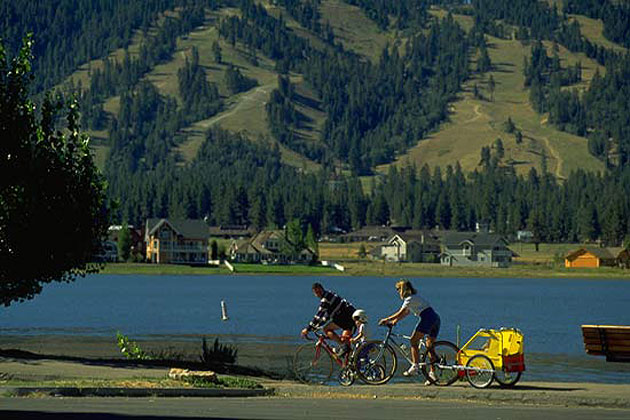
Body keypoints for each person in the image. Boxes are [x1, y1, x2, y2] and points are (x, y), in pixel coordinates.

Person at [378, 279, 440, 385]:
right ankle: (432, 374)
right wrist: (395, 321)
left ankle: (415, 366)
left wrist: (386, 319)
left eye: (398, 289)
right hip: (435, 319)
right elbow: (406, 313)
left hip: (427, 319)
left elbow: (400, 312)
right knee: (429, 347)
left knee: (413, 341)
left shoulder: (409, 299)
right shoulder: (415, 298)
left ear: (403, 289)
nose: (397, 292)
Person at [301, 282, 356, 355]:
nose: (318, 294)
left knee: (326, 329)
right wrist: (316, 326)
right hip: (345, 318)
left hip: (348, 319)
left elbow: (319, 315)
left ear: (322, 289)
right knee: (344, 341)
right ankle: (349, 359)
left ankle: (346, 349)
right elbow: (326, 317)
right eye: (316, 292)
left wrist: (308, 329)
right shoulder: (329, 294)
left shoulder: (326, 299)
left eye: (319, 291)